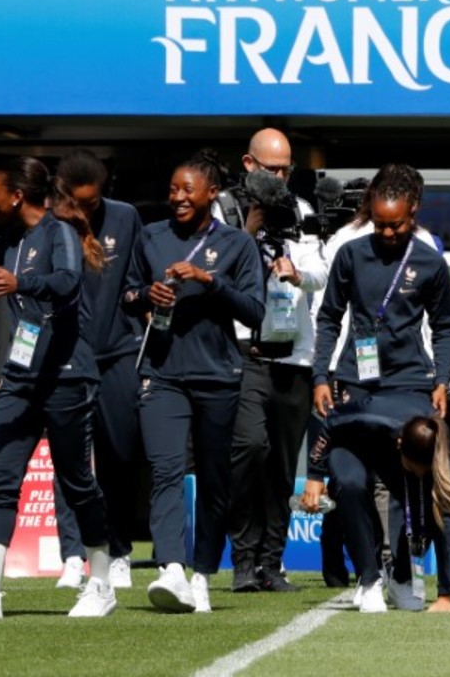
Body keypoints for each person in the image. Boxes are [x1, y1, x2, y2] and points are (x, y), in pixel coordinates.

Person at [0, 157, 116, 619]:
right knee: (0, 479)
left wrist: (22, 283)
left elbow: (67, 282)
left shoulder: (60, 233)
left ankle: (100, 583)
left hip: (66, 377)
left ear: (17, 196)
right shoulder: (11, 239)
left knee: (77, 482)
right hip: (19, 377)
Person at [307, 163, 450, 613]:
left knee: (413, 483)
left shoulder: (430, 262)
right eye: (379, 224)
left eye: (397, 224)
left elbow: (445, 327)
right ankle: (369, 577)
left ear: (413, 213)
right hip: (354, 382)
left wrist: (442, 379)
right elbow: (329, 317)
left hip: (410, 385)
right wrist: (320, 376)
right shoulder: (350, 254)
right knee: (349, 481)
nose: (388, 233)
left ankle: (406, 574)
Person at [122, 150, 265, 614]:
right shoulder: (150, 236)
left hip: (217, 375)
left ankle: (202, 573)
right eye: (173, 189)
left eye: (188, 190)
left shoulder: (237, 244)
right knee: (164, 470)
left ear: (211, 193)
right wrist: (146, 294)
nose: (178, 197)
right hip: (161, 373)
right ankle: (171, 568)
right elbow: (126, 293)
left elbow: (254, 311)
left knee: (214, 478)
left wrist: (210, 281)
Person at [227, 128, 328, 594]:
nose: (281, 178)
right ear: (249, 165)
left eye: (287, 169)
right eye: (272, 170)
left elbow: (322, 272)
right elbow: (215, 268)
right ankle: (242, 557)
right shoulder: (226, 210)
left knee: (283, 466)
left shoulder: (302, 211)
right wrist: (248, 230)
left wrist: (297, 272)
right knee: (249, 450)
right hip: (246, 351)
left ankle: (270, 562)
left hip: (295, 354)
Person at [49, 150, 144, 590]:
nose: (86, 210)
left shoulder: (125, 217)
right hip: (66, 356)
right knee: (69, 458)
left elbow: (136, 279)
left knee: (118, 456)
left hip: (118, 353)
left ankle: (119, 551)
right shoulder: (50, 224)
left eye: (93, 202)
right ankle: (73, 554)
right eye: (78, 202)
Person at [301, 402, 450, 615]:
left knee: (426, 507)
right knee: (350, 486)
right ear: (400, 445)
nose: (419, 475)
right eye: (414, 469)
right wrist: (315, 475)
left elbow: (446, 522)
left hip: (398, 448)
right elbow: (331, 421)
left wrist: (446, 594)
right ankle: (369, 578)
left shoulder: (439, 446)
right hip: (355, 444)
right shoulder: (371, 419)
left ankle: (401, 578)